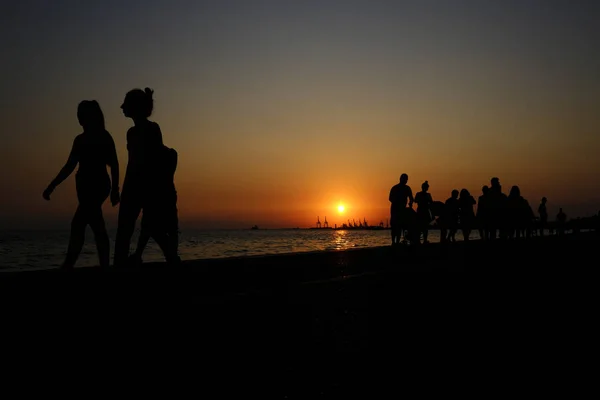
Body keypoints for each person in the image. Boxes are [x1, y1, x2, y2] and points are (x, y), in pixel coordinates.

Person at [43, 100, 120, 269]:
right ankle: (102, 264)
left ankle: (70, 264)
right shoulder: (79, 140)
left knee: (80, 222)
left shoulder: (103, 136)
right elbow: (70, 166)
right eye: (79, 114)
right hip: (84, 187)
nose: (79, 117)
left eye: (82, 114)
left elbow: (114, 164)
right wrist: (53, 185)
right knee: (94, 222)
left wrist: (115, 190)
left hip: (98, 185)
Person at [113, 87, 179, 266]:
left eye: (126, 104)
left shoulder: (151, 129)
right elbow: (132, 161)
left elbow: (152, 160)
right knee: (128, 231)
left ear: (134, 107)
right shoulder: (131, 132)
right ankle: (122, 264)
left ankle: (172, 260)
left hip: (147, 187)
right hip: (134, 187)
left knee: (150, 229)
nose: (122, 108)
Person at [129, 146, 180, 266]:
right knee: (169, 227)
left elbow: (144, 175)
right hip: (167, 194)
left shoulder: (148, 155)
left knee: (149, 227)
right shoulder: (172, 154)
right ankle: (171, 254)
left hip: (155, 194)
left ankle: (169, 254)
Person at [389, 173, 413, 245]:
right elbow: (390, 198)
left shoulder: (407, 188)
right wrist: (398, 202)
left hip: (402, 209)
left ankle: (397, 241)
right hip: (395, 209)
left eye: (406, 179)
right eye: (404, 179)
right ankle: (393, 242)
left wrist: (410, 204)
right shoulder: (395, 188)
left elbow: (411, 198)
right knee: (394, 226)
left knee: (400, 225)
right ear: (400, 179)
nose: (405, 181)